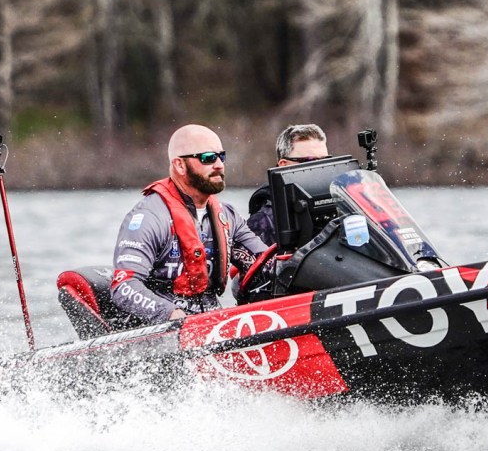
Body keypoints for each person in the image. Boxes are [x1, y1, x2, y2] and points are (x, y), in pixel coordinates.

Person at [111, 124, 267, 323]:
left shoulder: (227, 216)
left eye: (221, 156)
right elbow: (123, 286)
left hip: (211, 322)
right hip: (160, 326)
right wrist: (170, 314)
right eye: (208, 158)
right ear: (180, 165)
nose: (219, 164)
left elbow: (265, 262)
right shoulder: (149, 217)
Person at [247, 124, 330, 246]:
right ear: (284, 165)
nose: (321, 168)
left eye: (325, 161)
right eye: (310, 161)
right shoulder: (265, 220)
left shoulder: (341, 202)